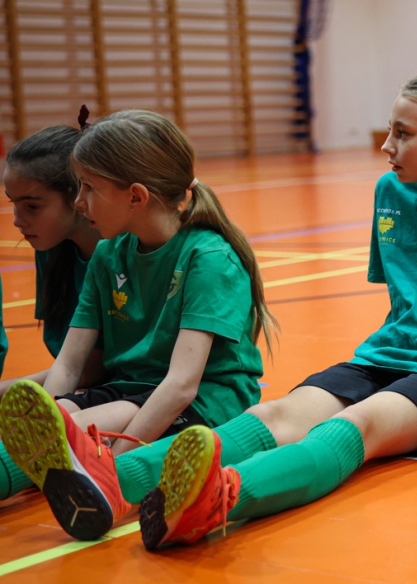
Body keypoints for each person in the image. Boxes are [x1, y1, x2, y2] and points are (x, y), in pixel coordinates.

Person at [25, 71, 417, 552]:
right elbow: (409, 299)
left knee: (356, 425)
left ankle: (222, 498)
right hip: (385, 353)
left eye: (403, 134)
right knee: (274, 414)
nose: (387, 145)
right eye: (390, 130)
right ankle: (114, 481)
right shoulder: (389, 190)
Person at [0, 109, 273, 539]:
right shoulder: (109, 254)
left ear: (136, 196)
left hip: (206, 399)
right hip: (132, 386)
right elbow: (68, 366)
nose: (79, 201)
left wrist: (114, 463)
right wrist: (44, 421)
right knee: (64, 416)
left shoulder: (207, 258)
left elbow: (180, 385)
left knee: (98, 422)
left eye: (89, 188)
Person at [0, 121, 104, 500]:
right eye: (12, 204)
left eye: (32, 206)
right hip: (75, 390)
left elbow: (94, 370)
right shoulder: (52, 250)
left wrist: (14, 392)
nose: (17, 220)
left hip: (113, 396)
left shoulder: (118, 256)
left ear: (78, 196)